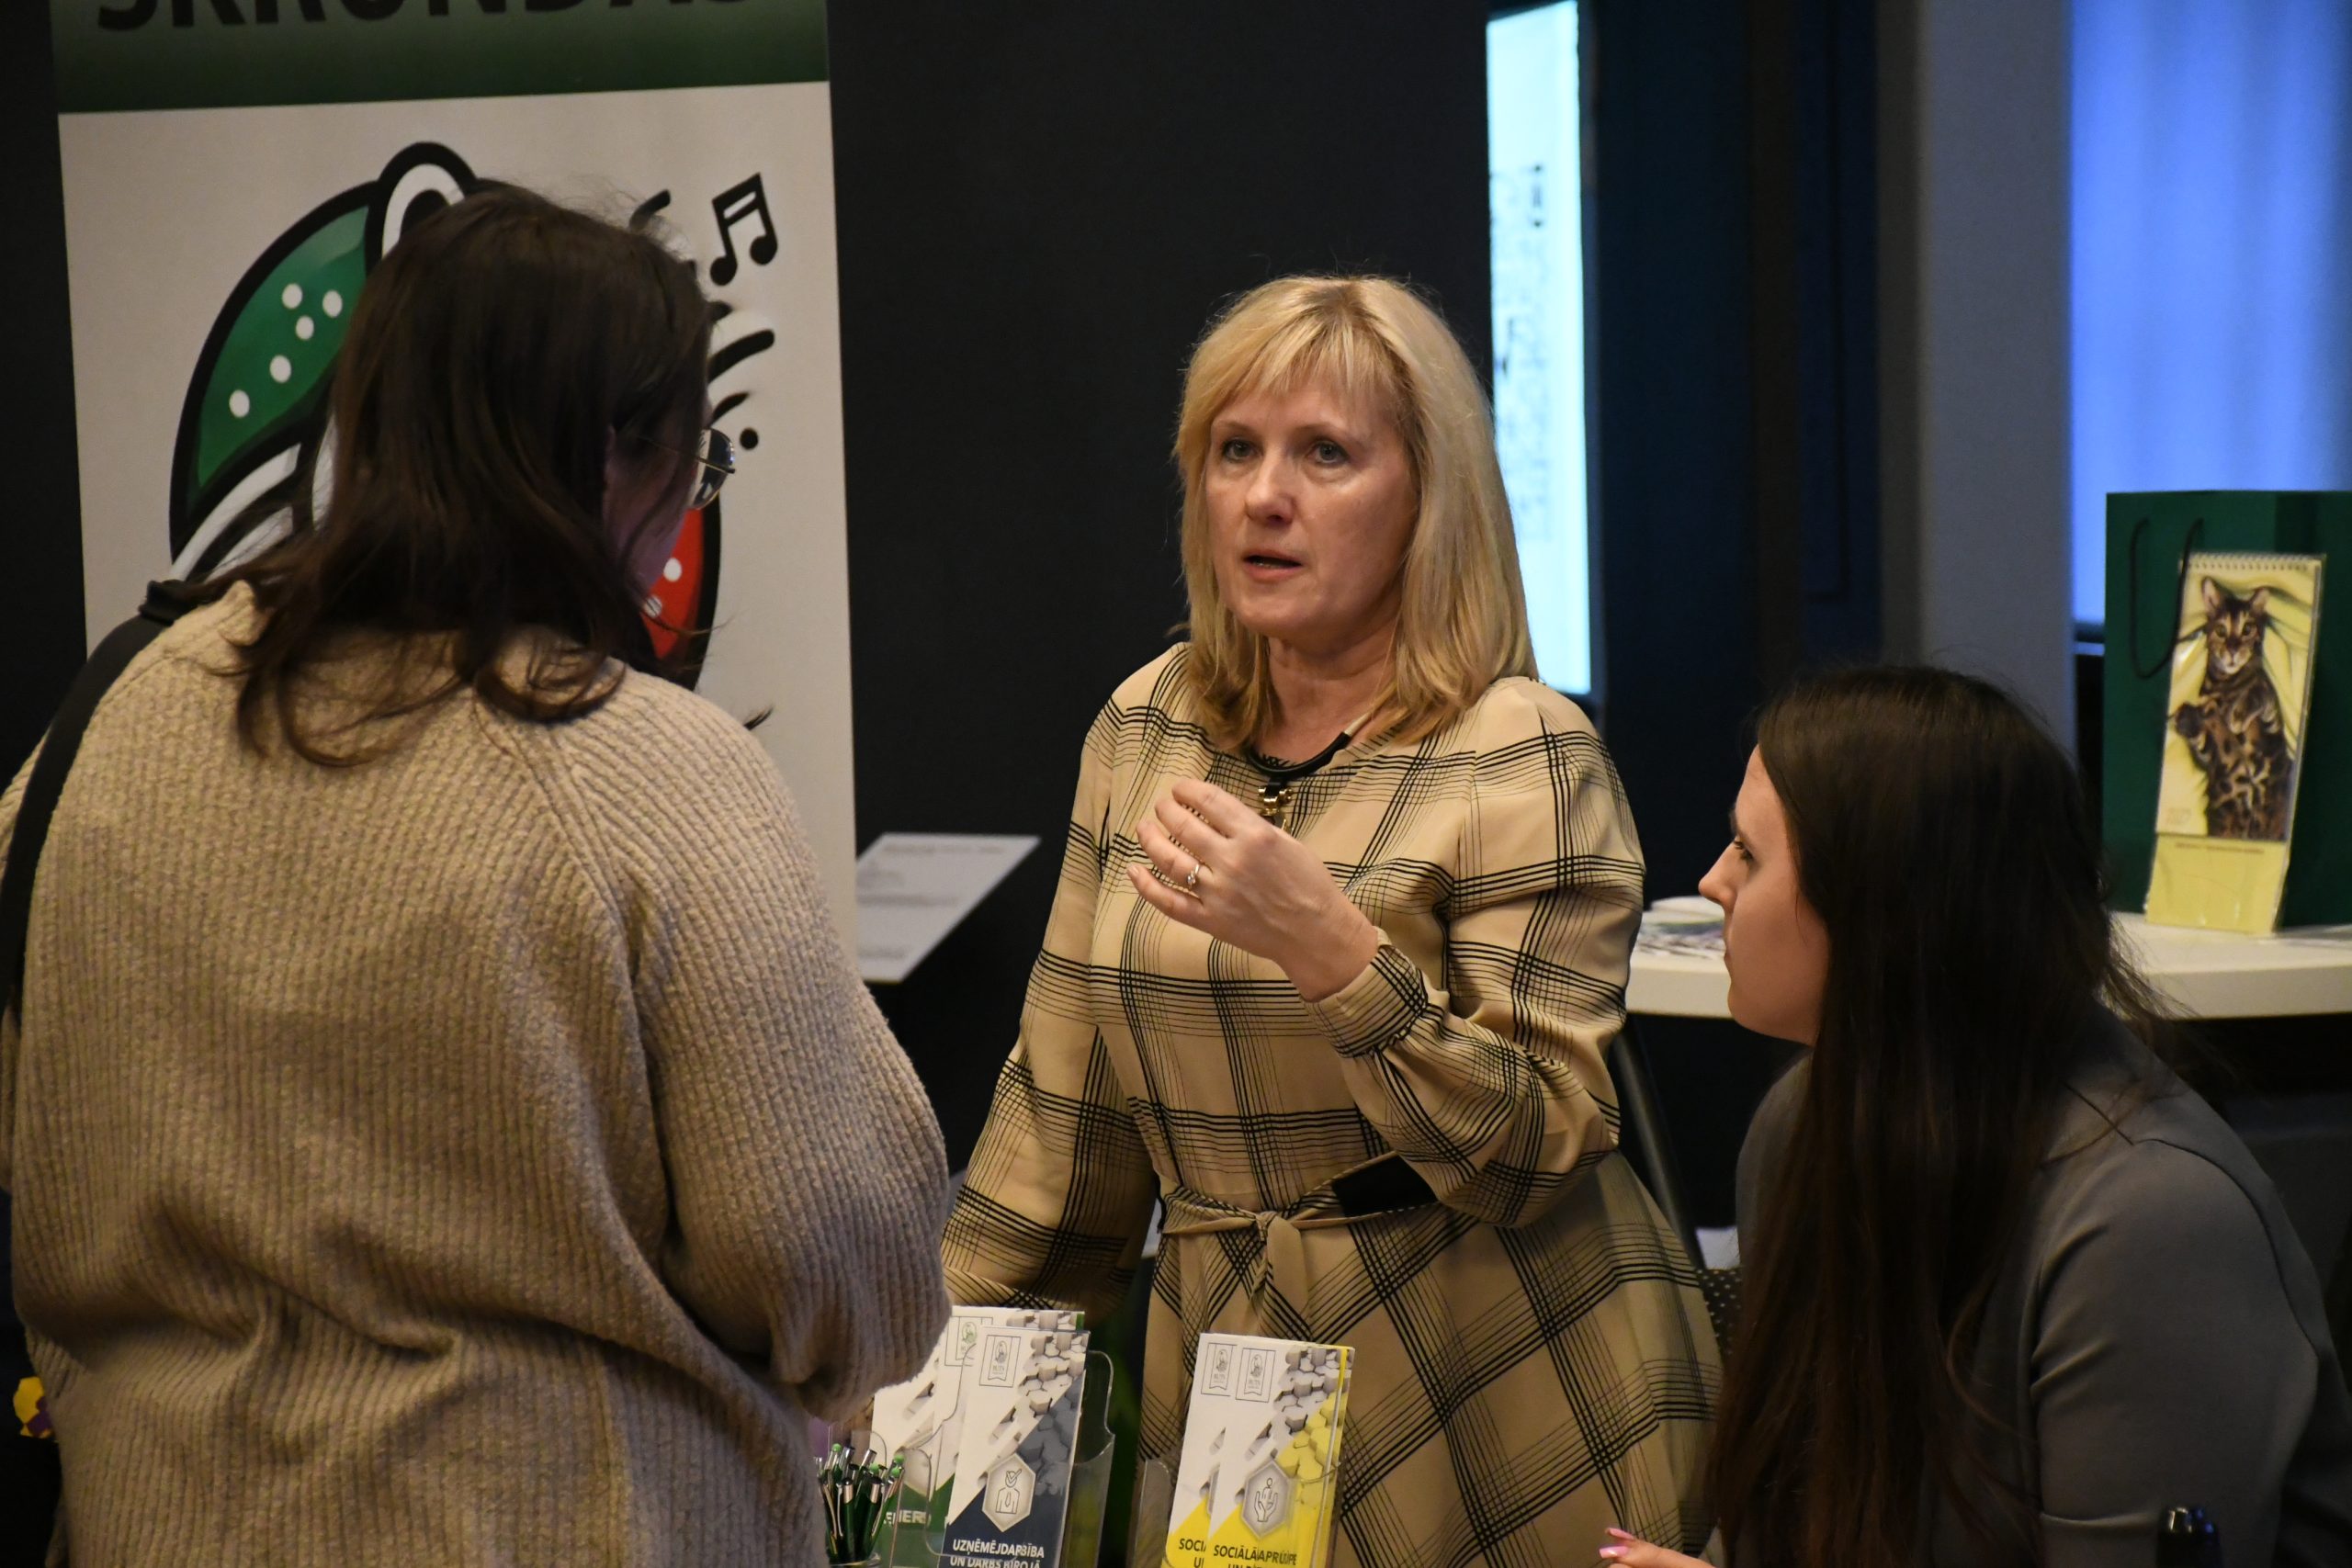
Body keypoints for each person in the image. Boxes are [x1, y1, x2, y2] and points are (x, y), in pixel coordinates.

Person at [0, 186, 951, 1564]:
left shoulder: (104, 723)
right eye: (696, 462)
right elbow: (844, 1267)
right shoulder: (652, 772)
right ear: (620, 458)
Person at [944, 276, 1720, 1564]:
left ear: (1428, 496)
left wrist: (1337, 957)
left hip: (1502, 1383)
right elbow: (1060, 1117)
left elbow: (1537, 1148)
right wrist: (949, 1414)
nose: (1264, 495)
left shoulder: (1520, 748)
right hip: (1233, 1370)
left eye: (1325, 454)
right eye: (1233, 450)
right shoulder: (1146, 723)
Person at [1601, 667, 2352, 1568]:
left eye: (1748, 853)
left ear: (1883, 907)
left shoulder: (2149, 1218)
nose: (1712, 880)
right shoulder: (1800, 1123)